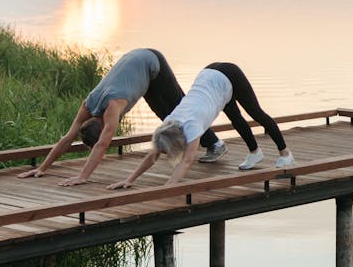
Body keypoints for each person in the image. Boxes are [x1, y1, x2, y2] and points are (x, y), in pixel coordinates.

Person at [18, 48, 225, 186]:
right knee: (165, 117)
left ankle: (215, 144)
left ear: (100, 129)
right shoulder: (88, 105)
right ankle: (193, 144)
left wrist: (83, 177)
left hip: (152, 62)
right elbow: (67, 137)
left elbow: (102, 146)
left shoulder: (113, 108)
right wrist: (42, 168)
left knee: (179, 107)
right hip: (136, 65)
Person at [108, 62, 294, 189]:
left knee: (256, 113)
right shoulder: (168, 125)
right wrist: (128, 180)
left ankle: (285, 154)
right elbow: (152, 156)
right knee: (235, 118)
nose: (165, 155)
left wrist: (166, 188)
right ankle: (255, 153)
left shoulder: (192, 125)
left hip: (229, 74)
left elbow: (187, 162)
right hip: (208, 77)